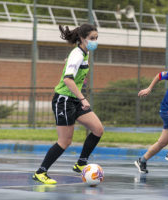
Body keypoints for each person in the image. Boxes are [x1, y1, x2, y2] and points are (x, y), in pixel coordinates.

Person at [33, 24, 104, 184]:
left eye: (96, 38)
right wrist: (82, 98)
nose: (95, 41)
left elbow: (74, 73)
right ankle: (40, 172)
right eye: (92, 38)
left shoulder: (84, 54)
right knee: (65, 141)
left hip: (73, 99)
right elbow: (67, 79)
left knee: (98, 129)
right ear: (82, 38)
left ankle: (80, 164)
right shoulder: (77, 55)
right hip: (64, 100)